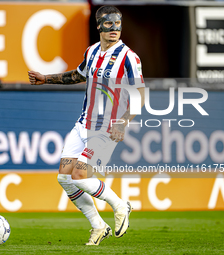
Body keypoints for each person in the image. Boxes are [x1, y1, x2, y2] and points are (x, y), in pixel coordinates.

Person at [28, 5, 145, 246]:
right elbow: (78, 75)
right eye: (109, 23)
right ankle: (98, 226)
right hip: (83, 124)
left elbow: (140, 95)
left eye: (118, 23)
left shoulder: (129, 57)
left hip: (106, 128)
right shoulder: (91, 51)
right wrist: (45, 78)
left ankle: (120, 205)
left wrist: (122, 123)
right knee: (65, 178)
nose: (114, 28)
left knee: (80, 175)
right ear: (99, 25)